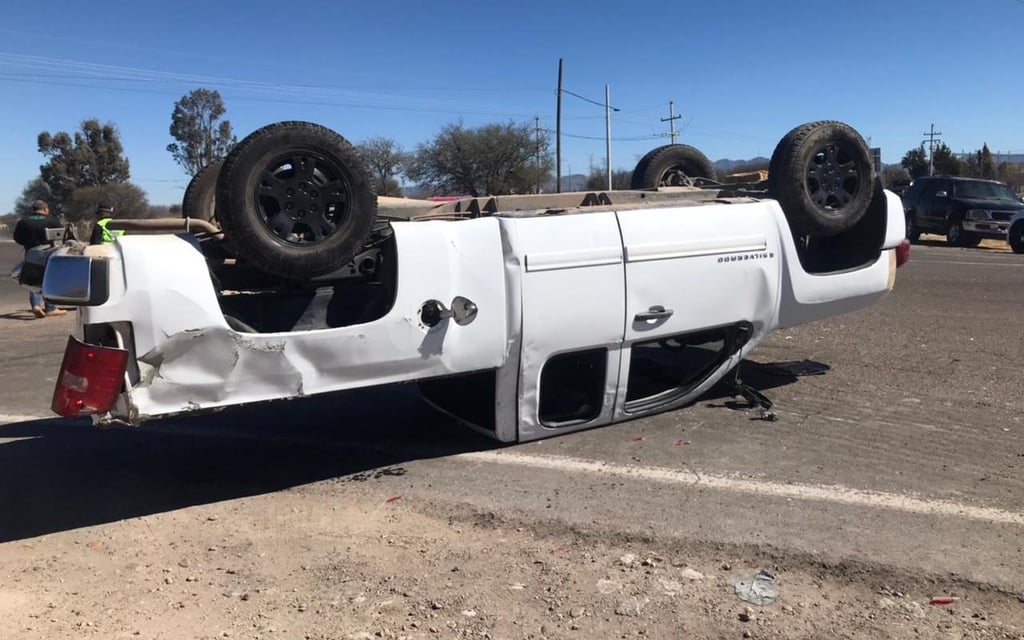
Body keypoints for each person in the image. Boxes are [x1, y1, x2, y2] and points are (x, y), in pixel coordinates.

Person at [12, 199, 67, 318]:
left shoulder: (23, 221)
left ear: (33, 210)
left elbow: (17, 238)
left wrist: (28, 244)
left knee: (32, 279)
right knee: (49, 279)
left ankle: (36, 306)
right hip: (49, 253)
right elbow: (62, 235)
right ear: (45, 209)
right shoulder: (52, 220)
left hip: (31, 253)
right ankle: (50, 307)